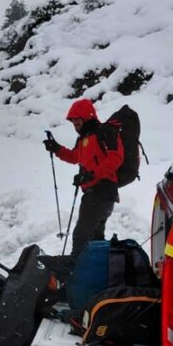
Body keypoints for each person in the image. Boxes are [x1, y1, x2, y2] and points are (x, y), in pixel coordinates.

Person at [43, 98, 124, 257]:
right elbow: (75, 157)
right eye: (73, 122)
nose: (75, 125)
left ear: (87, 117)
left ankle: (75, 271)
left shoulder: (105, 132)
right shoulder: (83, 139)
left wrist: (91, 175)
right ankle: (97, 272)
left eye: (77, 121)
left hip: (102, 192)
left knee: (81, 236)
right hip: (93, 194)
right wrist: (57, 148)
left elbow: (116, 157)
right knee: (94, 238)